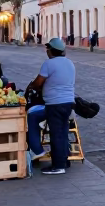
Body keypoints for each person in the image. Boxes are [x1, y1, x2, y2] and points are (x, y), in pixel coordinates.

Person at [25, 38, 76, 175]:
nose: (46, 52)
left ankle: (57, 166)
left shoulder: (49, 64)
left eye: (47, 49)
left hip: (55, 104)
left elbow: (37, 83)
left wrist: (31, 86)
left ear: (52, 51)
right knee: (62, 132)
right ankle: (64, 159)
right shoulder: (70, 63)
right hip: (68, 104)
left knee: (56, 134)